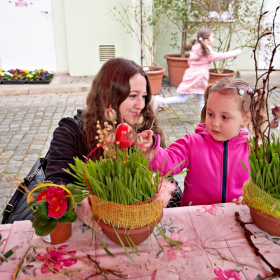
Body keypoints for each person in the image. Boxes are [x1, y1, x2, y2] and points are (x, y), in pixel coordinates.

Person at [43, 58, 181, 231]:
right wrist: (76, 198)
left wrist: (148, 155)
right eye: (133, 96)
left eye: (144, 96)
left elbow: (169, 187)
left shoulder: (143, 128)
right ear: (109, 95)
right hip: (86, 229)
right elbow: (55, 183)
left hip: (135, 227)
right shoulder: (71, 131)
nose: (141, 104)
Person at [142, 78, 255, 206]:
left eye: (224, 117)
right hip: (195, 215)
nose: (215, 123)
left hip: (234, 216)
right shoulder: (192, 143)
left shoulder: (254, 149)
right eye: (211, 114)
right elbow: (167, 163)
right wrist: (151, 149)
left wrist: (248, 198)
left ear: (245, 119)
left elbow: (262, 185)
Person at [153, 28, 242, 111]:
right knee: (196, 99)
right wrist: (236, 52)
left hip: (192, 75)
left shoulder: (196, 48)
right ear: (206, 40)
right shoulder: (206, 51)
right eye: (212, 37)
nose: (213, 39)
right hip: (198, 78)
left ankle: (161, 101)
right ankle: (161, 101)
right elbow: (219, 56)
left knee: (195, 98)